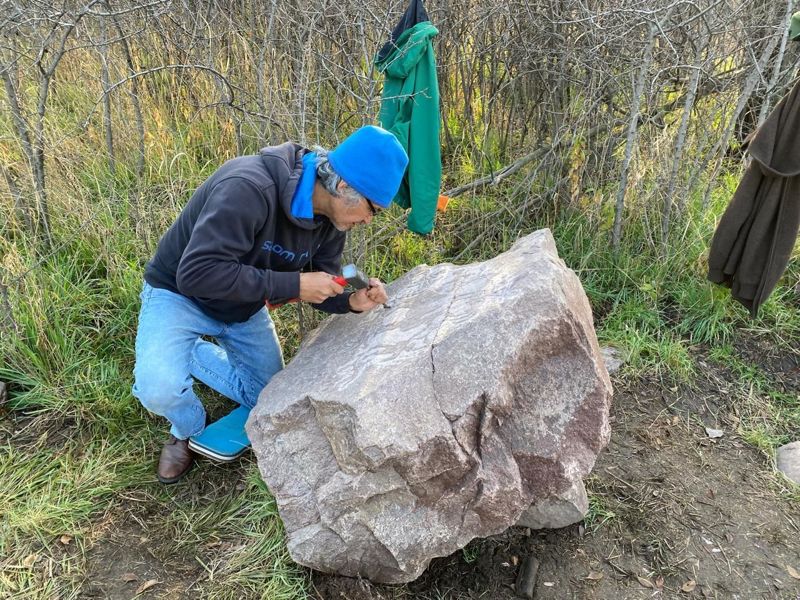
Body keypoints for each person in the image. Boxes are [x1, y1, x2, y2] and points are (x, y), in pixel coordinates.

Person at [132, 125, 409, 483]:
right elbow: (196, 273)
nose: (369, 220)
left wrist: (352, 300)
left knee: (271, 397)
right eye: (373, 210)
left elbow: (323, 282)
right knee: (159, 389)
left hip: (243, 306)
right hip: (179, 295)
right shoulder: (248, 188)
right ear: (343, 186)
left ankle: (189, 353)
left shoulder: (331, 222)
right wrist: (295, 284)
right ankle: (186, 429)